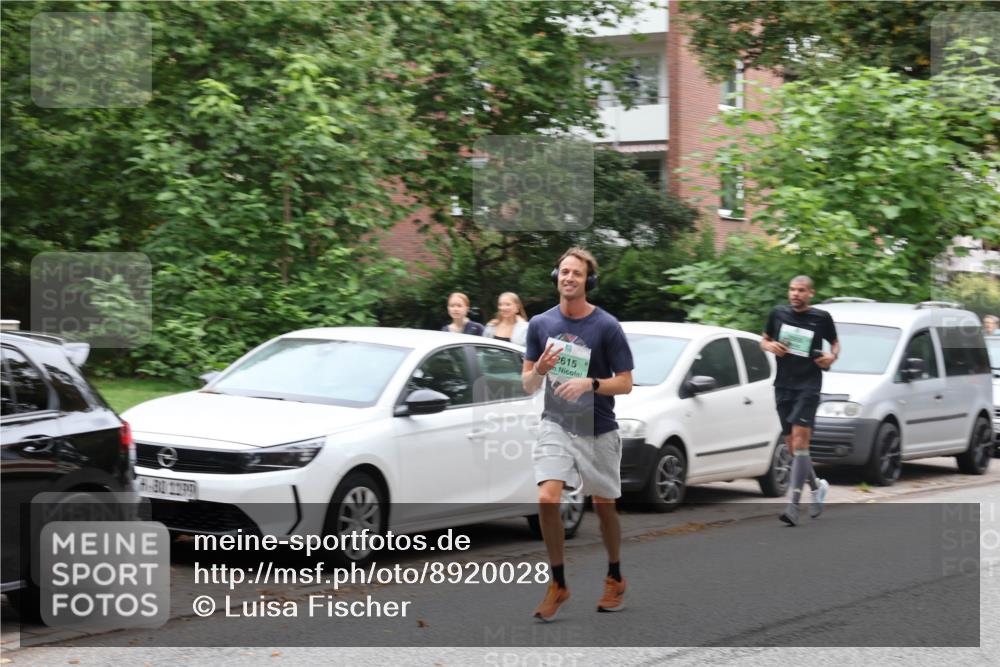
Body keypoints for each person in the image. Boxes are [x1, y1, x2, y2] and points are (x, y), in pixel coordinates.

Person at [521, 247, 634, 620]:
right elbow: (527, 384)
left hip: (598, 427)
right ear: (557, 276)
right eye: (565, 272)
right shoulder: (540, 324)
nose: (569, 278)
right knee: (547, 499)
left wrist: (591, 383)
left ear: (589, 281)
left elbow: (625, 384)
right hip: (556, 422)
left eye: (577, 274)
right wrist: (539, 367)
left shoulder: (606, 327)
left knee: (604, 507)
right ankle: (558, 583)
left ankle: (615, 574)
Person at [761, 275, 840, 526]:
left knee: (800, 441)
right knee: (793, 448)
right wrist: (770, 346)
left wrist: (831, 357)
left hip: (809, 385)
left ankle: (793, 505)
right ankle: (817, 488)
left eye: (801, 290)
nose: (795, 294)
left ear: (811, 294)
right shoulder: (777, 314)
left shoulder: (821, 318)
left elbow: (835, 344)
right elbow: (763, 339)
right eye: (792, 289)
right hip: (783, 385)